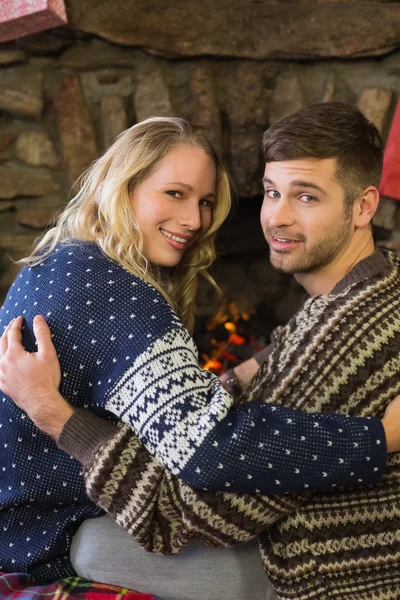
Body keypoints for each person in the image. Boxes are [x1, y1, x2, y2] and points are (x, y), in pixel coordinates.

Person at [1, 105, 400, 599]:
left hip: (36, 515)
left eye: (206, 201)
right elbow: (206, 448)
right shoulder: (114, 290)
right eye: (174, 193)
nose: (194, 220)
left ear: (363, 207)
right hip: (50, 530)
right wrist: (379, 437)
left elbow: (190, 440)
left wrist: (257, 371)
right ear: (124, 187)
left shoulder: (71, 258)